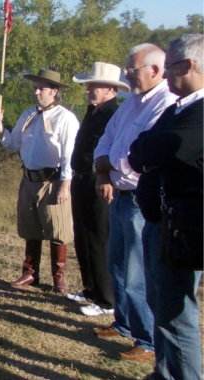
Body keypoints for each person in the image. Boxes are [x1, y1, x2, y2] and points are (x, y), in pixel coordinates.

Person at [91, 43, 177, 362]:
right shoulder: (131, 103)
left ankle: (147, 340)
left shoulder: (165, 104)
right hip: (118, 195)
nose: (128, 76)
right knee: (117, 264)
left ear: (155, 70)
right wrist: (104, 170)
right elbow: (106, 139)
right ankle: (124, 323)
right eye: (127, 70)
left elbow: (138, 158)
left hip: (141, 200)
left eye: (133, 70)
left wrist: (108, 166)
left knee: (137, 271)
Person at [129, 33, 204, 380]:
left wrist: (148, 152)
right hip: (162, 222)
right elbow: (140, 147)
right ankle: (165, 372)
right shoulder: (178, 108)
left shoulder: (201, 112)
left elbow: (170, 150)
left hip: (184, 225)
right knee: (160, 304)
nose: (167, 74)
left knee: (176, 313)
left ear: (188, 66)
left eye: (171, 66)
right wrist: (147, 152)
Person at [0, 69, 79, 294]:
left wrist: (65, 183)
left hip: (52, 181)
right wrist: (0, 127)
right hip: (28, 179)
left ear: (54, 91)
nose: (37, 92)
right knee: (30, 228)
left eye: (41, 88)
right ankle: (30, 273)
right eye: (35, 88)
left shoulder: (66, 118)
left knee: (57, 229)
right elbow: (13, 145)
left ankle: (58, 277)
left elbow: (70, 154)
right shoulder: (28, 115)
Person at [67, 62, 129, 316]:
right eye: (87, 86)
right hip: (80, 180)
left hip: (99, 182)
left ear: (109, 89)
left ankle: (106, 300)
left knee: (98, 237)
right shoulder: (93, 111)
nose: (87, 90)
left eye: (92, 86)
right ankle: (90, 289)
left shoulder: (114, 114)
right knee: (82, 235)